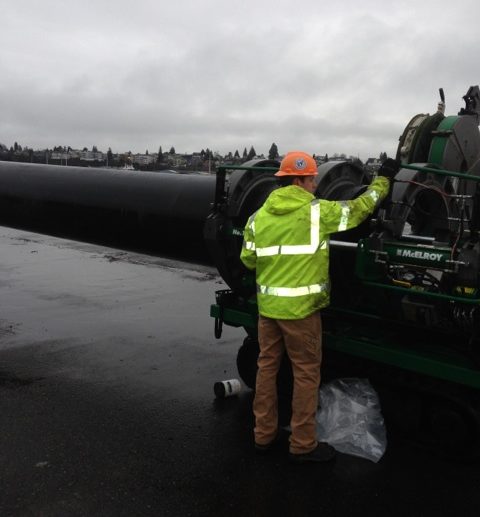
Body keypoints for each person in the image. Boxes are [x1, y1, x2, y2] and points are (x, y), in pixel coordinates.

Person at [240, 151, 397, 463]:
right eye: (312, 179)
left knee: (267, 369)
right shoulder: (317, 213)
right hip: (302, 314)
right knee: (305, 374)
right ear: (298, 179)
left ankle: (263, 435)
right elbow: (359, 208)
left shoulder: (257, 218)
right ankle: (302, 444)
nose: (315, 185)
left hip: (268, 311)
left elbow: (248, 260)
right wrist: (383, 180)